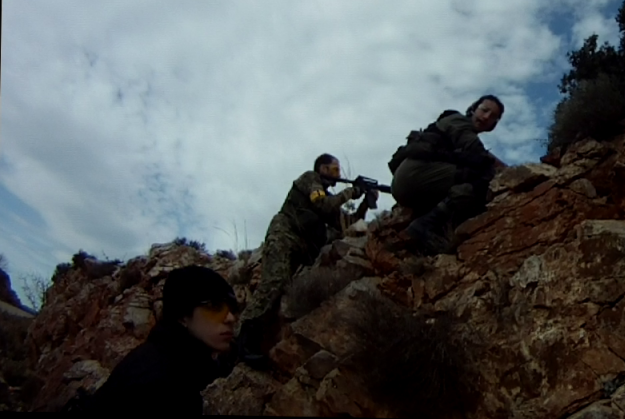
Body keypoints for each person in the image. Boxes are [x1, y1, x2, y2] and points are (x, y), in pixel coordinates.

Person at [236, 153, 378, 368]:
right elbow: (322, 205)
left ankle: (254, 344)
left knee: (283, 290)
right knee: (273, 283)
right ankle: (240, 339)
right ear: (322, 168)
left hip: (300, 248)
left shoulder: (328, 196)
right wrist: (352, 191)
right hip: (284, 235)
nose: (338, 174)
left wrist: (366, 203)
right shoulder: (310, 179)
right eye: (334, 169)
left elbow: (346, 223)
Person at [86, 265, 239, 414]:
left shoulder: (175, 357)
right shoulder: (158, 385)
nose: (230, 318)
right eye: (214, 306)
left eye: (232, 308)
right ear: (182, 315)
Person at [390, 95, 505, 254]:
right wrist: (510, 172)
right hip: (414, 176)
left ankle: (433, 233)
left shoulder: (462, 132)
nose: (486, 117)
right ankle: (425, 225)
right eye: (484, 110)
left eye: (493, 116)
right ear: (473, 109)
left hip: (416, 184)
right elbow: (479, 154)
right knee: (484, 177)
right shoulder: (458, 121)